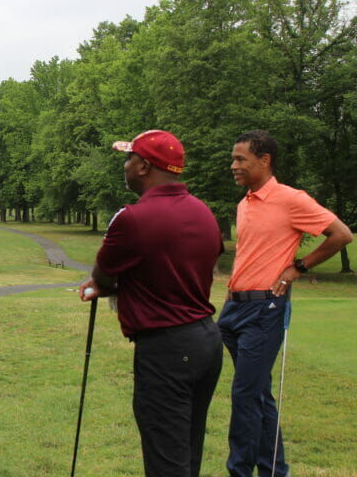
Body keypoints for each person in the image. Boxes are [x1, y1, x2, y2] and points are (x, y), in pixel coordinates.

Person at [79, 130, 224, 477]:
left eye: (129, 159)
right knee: (186, 452)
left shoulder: (132, 218)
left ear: (144, 166)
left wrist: (103, 287)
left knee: (166, 461)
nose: (126, 166)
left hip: (167, 349)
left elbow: (103, 275)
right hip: (205, 341)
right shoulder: (204, 213)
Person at [219, 130, 353, 477]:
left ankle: (239, 471)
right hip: (234, 308)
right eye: (233, 158)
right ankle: (274, 471)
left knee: (245, 395)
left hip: (265, 309)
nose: (233, 165)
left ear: (264, 161)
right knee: (259, 396)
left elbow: (341, 234)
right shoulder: (244, 202)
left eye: (240, 159)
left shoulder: (291, 199)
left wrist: (299, 267)